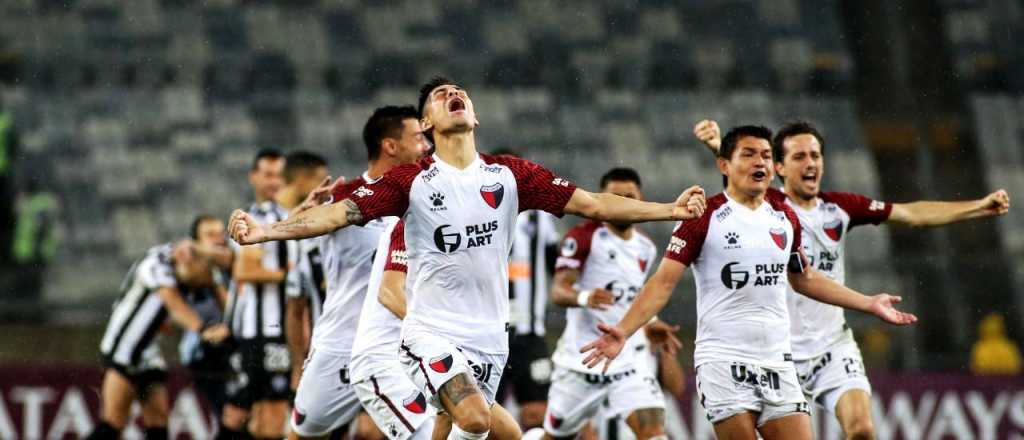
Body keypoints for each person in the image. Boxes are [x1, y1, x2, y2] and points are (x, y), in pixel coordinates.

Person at [228, 76, 707, 440]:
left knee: (466, 432)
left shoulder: (510, 175)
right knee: (478, 417)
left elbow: (595, 203)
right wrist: (265, 231)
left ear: (474, 117)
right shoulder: (412, 182)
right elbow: (339, 215)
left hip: (489, 339)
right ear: (429, 125)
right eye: (440, 96)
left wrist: (670, 209)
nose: (453, 93)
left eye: (459, 91)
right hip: (430, 333)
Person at [580, 125, 917, 440]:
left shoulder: (786, 218)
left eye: (767, 155)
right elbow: (662, 283)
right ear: (724, 165)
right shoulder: (702, 217)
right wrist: (623, 330)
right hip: (723, 361)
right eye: (749, 154)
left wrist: (869, 303)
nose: (760, 161)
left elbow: (806, 279)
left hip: (777, 361)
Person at [694, 119, 1012, 439]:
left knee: (861, 429)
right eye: (799, 157)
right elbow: (740, 180)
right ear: (779, 168)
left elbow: (911, 214)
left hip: (832, 348)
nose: (810, 164)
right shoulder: (770, 207)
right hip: (779, 352)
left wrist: (978, 206)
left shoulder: (841, 208)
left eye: (816, 156)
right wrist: (717, 146)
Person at [289, 106, 430, 440]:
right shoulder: (343, 197)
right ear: (390, 146)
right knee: (305, 432)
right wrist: (301, 212)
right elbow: (289, 233)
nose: (426, 146)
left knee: (426, 429)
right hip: (343, 344)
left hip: (400, 342)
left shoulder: (428, 199)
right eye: (418, 138)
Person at [539, 167, 676, 440]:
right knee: (555, 436)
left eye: (630, 196)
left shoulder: (645, 247)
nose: (623, 203)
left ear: (640, 199)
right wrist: (584, 297)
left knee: (654, 433)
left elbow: (634, 295)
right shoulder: (583, 237)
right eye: (616, 197)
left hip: (628, 360)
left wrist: (649, 322)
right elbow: (558, 290)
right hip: (582, 361)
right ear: (603, 199)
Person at [86, 241, 230, 440]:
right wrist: (203, 330)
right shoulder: (155, 263)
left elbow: (222, 291)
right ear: (186, 260)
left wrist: (230, 324)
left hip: (149, 352)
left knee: (158, 424)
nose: (205, 280)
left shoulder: (195, 265)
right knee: (113, 424)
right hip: (124, 349)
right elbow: (172, 303)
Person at [221, 149, 297, 440]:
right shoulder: (253, 217)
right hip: (254, 331)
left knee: (264, 417)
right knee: (243, 415)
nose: (274, 181)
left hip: (274, 332)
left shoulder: (289, 217)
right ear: (254, 176)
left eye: (279, 174)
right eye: (267, 174)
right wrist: (292, 273)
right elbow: (244, 272)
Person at [491, 148, 560, 431]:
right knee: (485, 419)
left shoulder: (538, 216)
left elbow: (557, 263)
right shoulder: (472, 213)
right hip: (489, 333)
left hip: (530, 334)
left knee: (536, 414)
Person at [279, 151, 330, 393]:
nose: (326, 189)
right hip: (316, 344)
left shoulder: (331, 223)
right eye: (321, 181)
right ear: (302, 179)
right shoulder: (270, 220)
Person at [178, 215, 235, 418]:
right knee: (229, 416)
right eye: (210, 235)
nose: (218, 240)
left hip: (231, 347)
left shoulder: (231, 263)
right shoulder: (192, 267)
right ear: (196, 242)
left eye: (221, 234)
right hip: (204, 353)